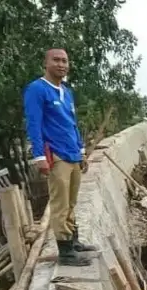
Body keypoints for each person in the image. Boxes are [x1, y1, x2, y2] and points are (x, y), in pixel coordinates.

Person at [23, 48, 97, 267]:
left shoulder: (66, 91)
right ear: (45, 64)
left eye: (65, 61)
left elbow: (72, 124)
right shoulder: (37, 89)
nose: (62, 64)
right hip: (56, 155)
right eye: (56, 60)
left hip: (72, 154)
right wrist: (39, 157)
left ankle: (73, 242)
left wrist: (81, 151)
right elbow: (34, 124)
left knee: (72, 202)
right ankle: (65, 252)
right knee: (60, 203)